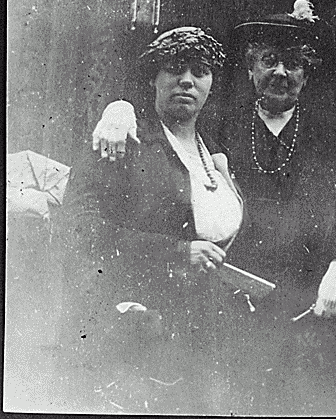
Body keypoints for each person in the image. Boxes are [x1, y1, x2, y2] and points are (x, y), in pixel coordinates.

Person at [90, 1, 336, 415]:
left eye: (293, 64)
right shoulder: (220, 124)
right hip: (238, 301)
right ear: (250, 69)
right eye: (269, 61)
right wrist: (117, 111)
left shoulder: (335, 129)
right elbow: (169, 123)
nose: (281, 73)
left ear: (306, 72)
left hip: (318, 293)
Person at [52, 27, 244, 414]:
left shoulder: (216, 152)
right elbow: (79, 227)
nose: (187, 80)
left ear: (211, 84)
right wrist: (177, 251)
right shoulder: (121, 139)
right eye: (175, 68)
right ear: (154, 78)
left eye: (200, 71)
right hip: (135, 326)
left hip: (205, 335)